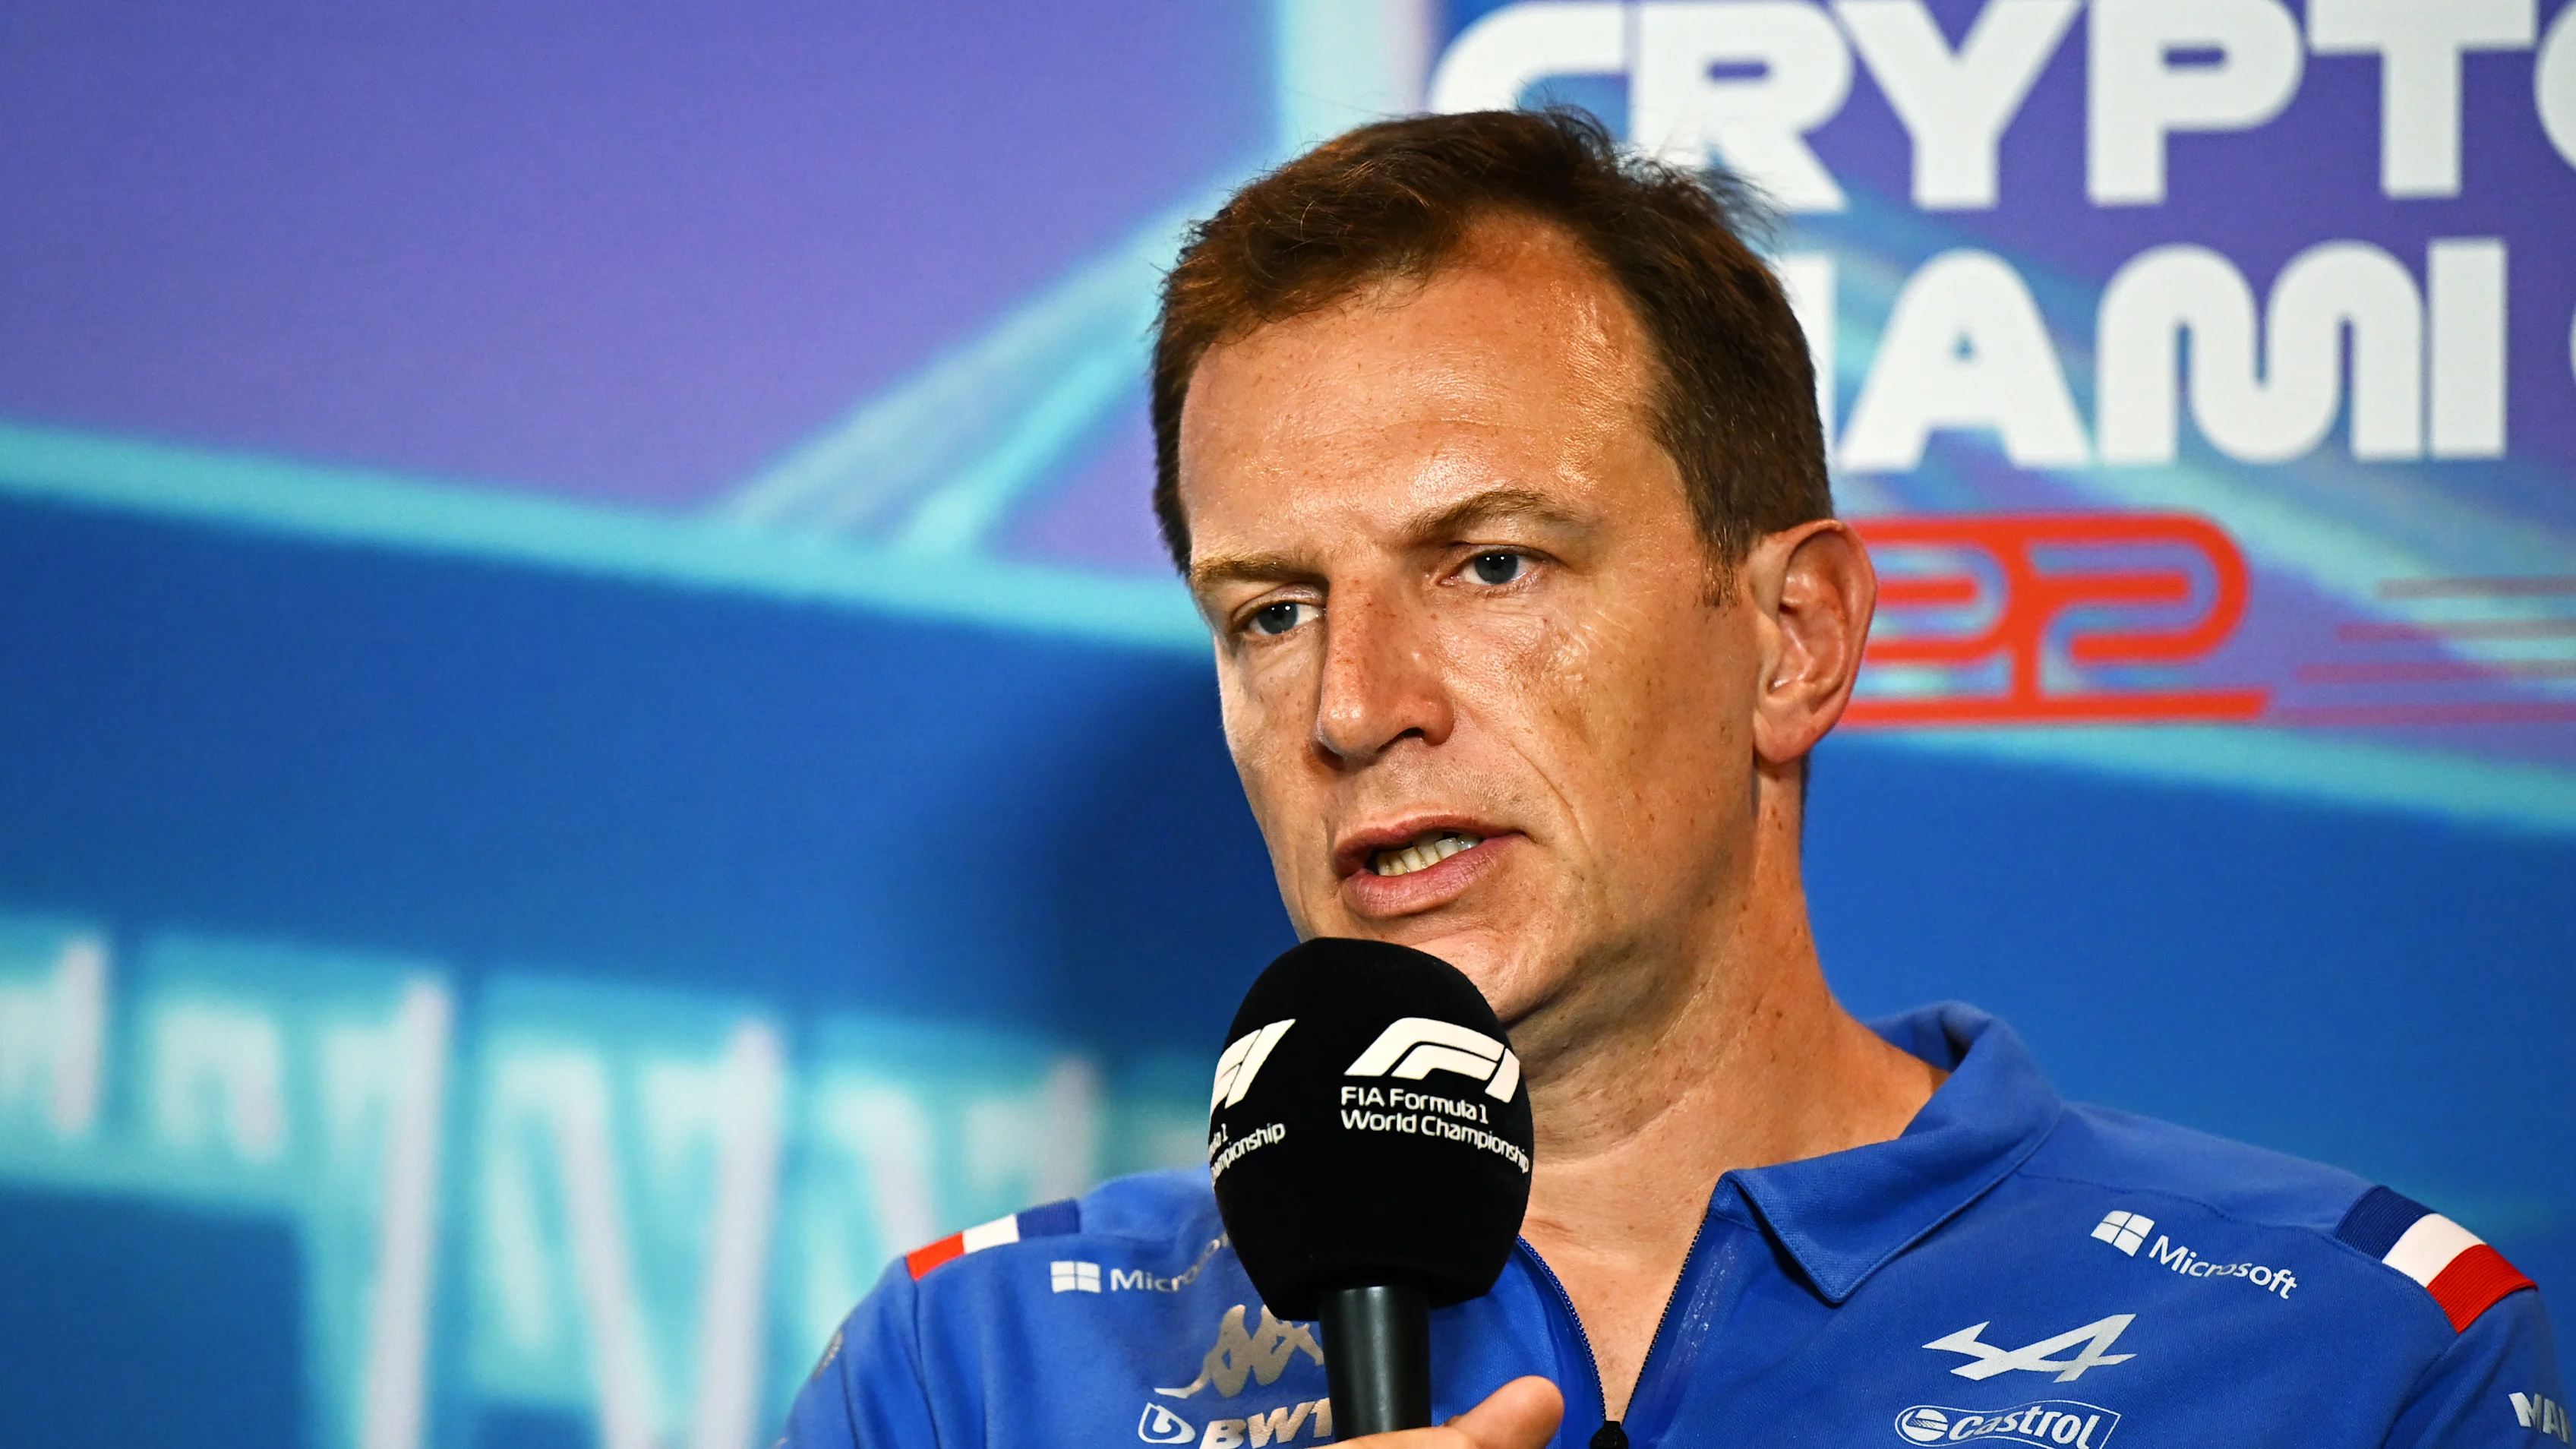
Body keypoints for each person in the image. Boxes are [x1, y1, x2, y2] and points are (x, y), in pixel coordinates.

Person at [782, 109, 2562, 1449]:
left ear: (1792, 639)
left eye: (1490, 565)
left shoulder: (2346, 1357)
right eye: (1273, 611)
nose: (1354, 706)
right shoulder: (976, 1374)